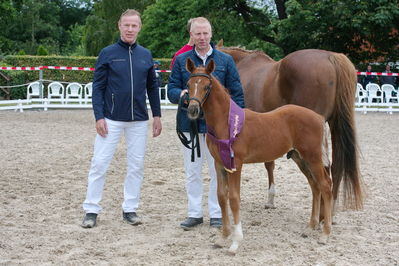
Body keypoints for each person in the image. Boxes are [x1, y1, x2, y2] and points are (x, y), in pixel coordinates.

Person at [81, 9, 162, 228]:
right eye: (126, 25)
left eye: (134, 25)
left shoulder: (146, 55)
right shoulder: (107, 53)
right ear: (119, 26)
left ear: (139, 27)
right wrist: (99, 116)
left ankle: (130, 208)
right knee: (99, 163)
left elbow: (152, 88)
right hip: (111, 119)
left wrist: (157, 115)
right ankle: (91, 209)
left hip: (138, 120)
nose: (130, 29)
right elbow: (98, 88)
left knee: (136, 166)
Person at [167, 17, 245, 230]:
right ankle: (194, 213)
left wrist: (236, 123)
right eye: (197, 34)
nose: (201, 37)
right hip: (189, 123)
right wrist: (181, 95)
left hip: (218, 128)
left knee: (217, 170)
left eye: (205, 33)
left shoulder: (225, 61)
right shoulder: (182, 59)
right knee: (192, 169)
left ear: (211, 34)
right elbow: (171, 89)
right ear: (191, 35)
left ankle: (217, 213)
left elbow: (237, 92)